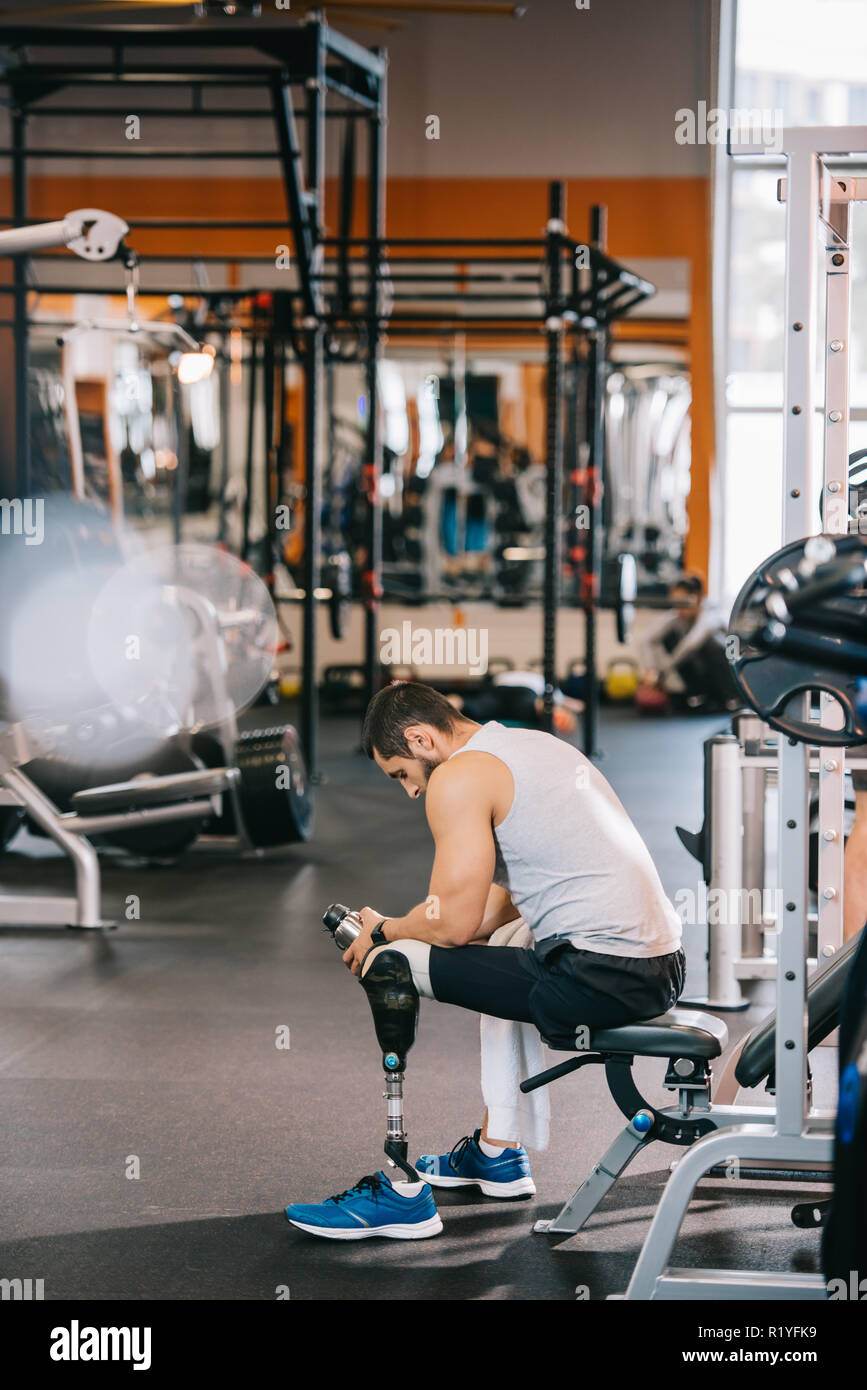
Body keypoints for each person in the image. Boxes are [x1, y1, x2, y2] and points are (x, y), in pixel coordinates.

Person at [285, 680, 684, 1240]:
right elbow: (509, 898)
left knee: (392, 965)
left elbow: (451, 922)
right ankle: (498, 1149)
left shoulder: (458, 776)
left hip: (598, 976)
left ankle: (401, 1191)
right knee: (499, 943)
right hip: (659, 967)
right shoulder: (532, 747)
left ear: (421, 738)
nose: (409, 792)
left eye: (401, 773)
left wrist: (386, 933)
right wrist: (405, 927)